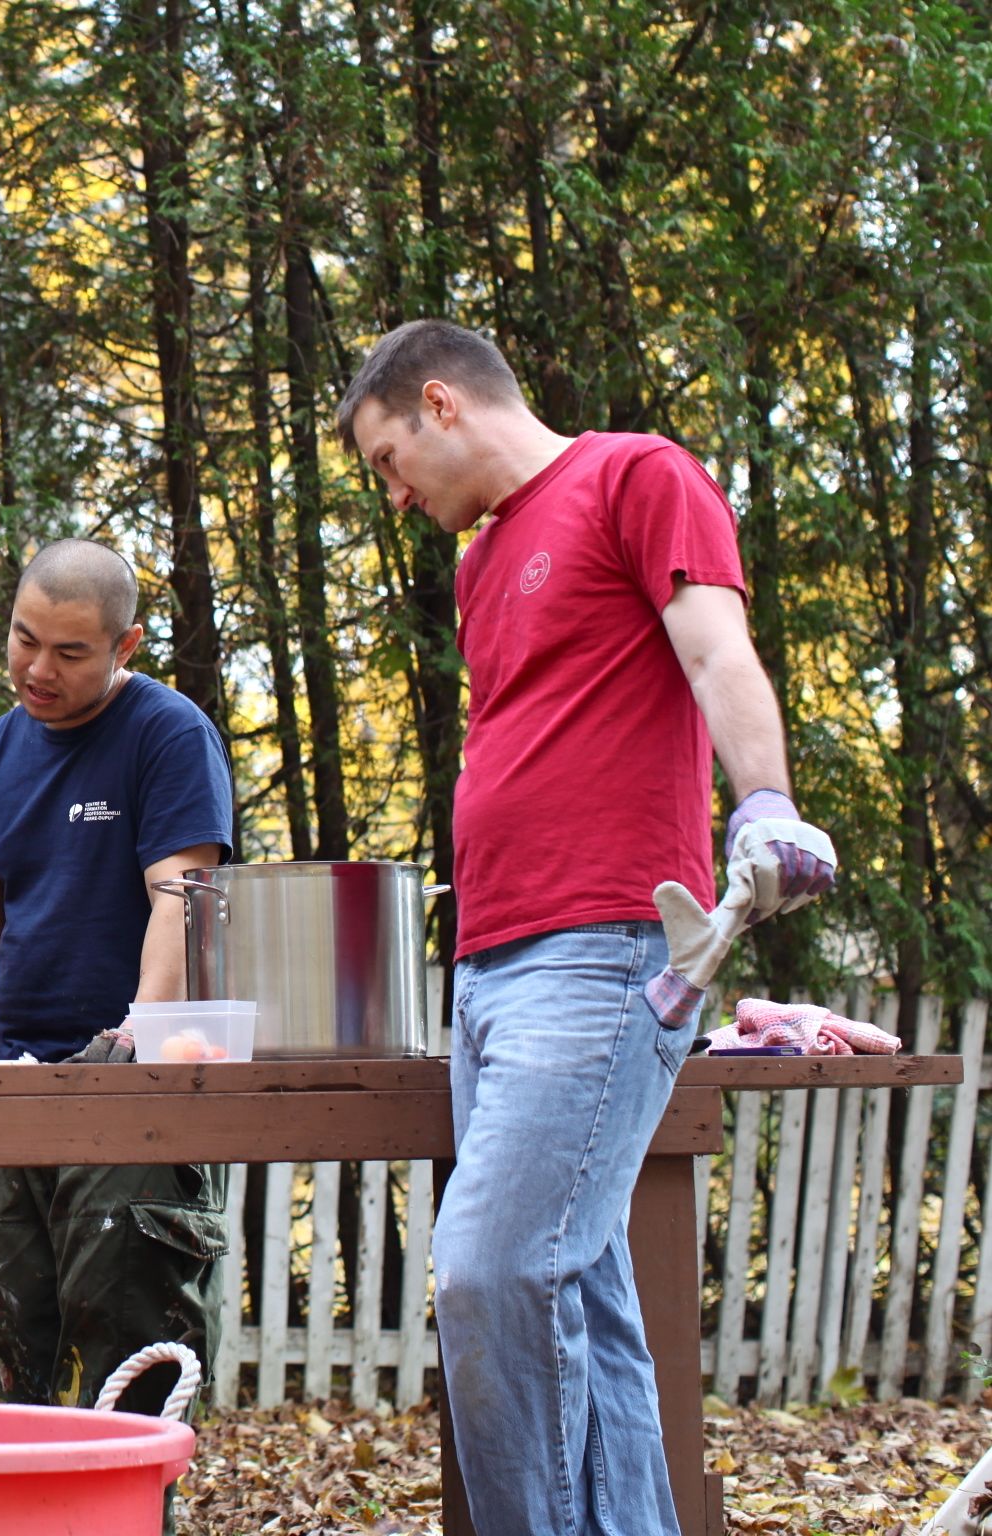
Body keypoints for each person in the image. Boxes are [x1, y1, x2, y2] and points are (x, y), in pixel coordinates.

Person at [338, 319, 836, 1534]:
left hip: (608, 948)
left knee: (492, 1271)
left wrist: (763, 800)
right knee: (585, 1296)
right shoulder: (480, 563)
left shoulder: (636, 476)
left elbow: (717, 652)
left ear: (440, 403)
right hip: (492, 967)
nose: (393, 494)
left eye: (387, 459)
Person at [0, 537, 236, 1416]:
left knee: (124, 1375)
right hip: (21, 1091)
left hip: (134, 1098)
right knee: (22, 1371)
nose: (37, 668)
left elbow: (181, 895)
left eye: (69, 652)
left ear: (124, 648)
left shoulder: (169, 735)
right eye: (25, 639)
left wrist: (134, 1039)